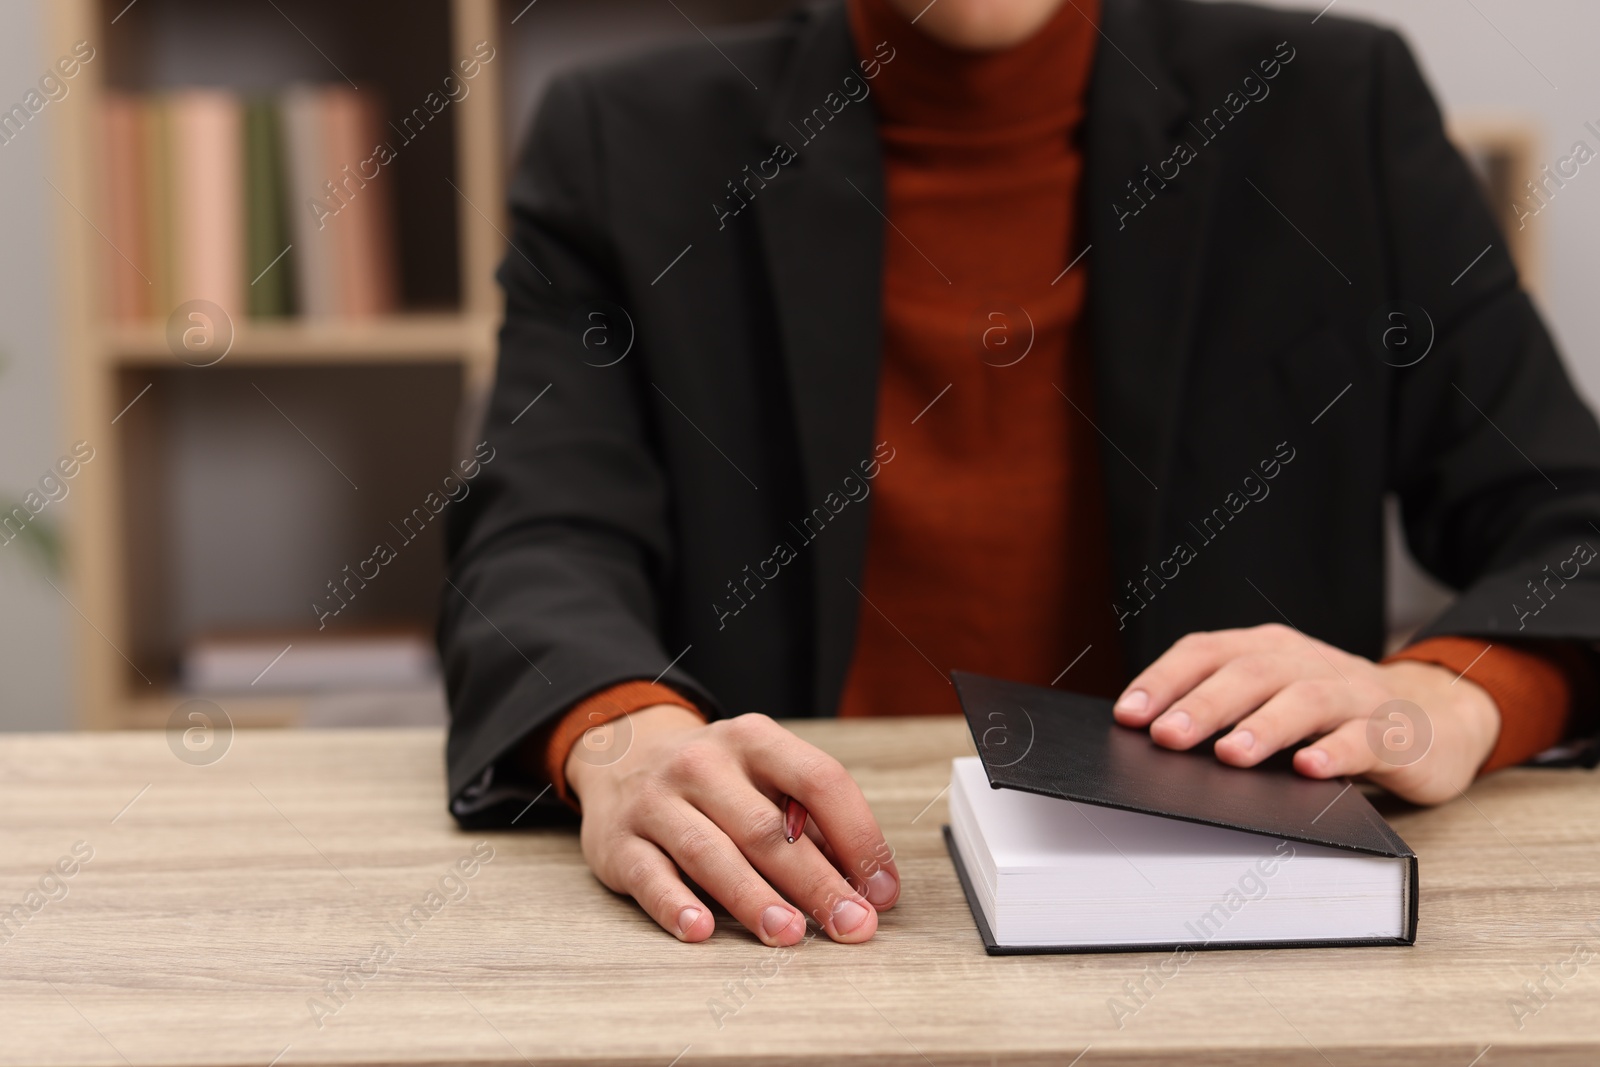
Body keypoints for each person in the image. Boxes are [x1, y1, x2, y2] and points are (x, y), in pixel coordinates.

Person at [439, 0, 1600, 949]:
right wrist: (616, 730)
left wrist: (1451, 695)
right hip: (781, 919)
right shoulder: (624, 138)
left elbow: (1569, 521)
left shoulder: (1332, 105)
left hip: (1235, 929)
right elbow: (534, 538)